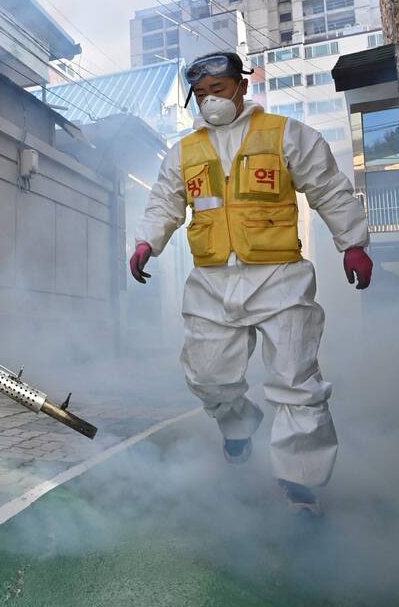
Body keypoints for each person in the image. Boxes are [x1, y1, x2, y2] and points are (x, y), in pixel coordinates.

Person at [129, 51, 373, 516]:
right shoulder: (183, 151)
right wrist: (147, 243)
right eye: (200, 95)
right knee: (206, 377)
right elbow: (164, 202)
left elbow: (329, 187)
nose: (209, 101)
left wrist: (353, 243)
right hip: (211, 281)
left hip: (279, 275)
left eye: (217, 90)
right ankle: (238, 424)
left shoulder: (286, 135)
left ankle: (300, 482)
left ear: (242, 86)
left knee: (295, 381)